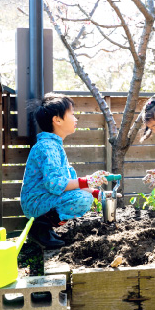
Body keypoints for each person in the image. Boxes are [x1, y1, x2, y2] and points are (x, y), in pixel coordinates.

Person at [20, 93, 110, 248]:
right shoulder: (47, 147)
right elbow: (55, 184)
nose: (76, 119)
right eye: (72, 115)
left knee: (84, 196)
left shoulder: (54, 146)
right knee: (82, 199)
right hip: (36, 203)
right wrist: (89, 181)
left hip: (43, 199)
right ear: (57, 120)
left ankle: (44, 228)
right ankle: (39, 228)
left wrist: (97, 193)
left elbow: (68, 183)